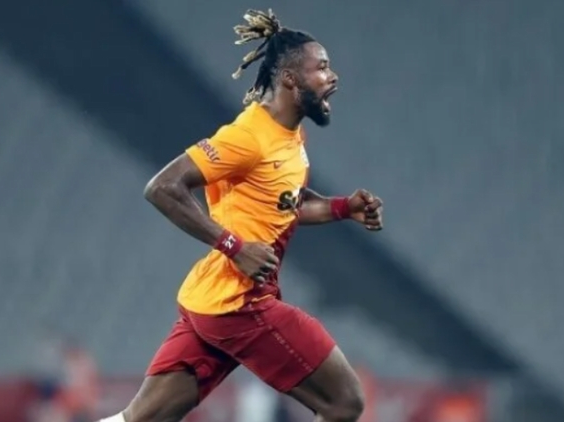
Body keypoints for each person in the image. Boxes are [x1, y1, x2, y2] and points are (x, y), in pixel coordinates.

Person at [99, 9, 383, 422]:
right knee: (344, 401)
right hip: (241, 303)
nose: (333, 76)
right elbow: (162, 187)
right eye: (322, 67)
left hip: (212, 300)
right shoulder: (247, 137)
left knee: (140, 419)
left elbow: (285, 203)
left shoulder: (289, 135)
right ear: (290, 78)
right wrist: (234, 247)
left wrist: (343, 208)